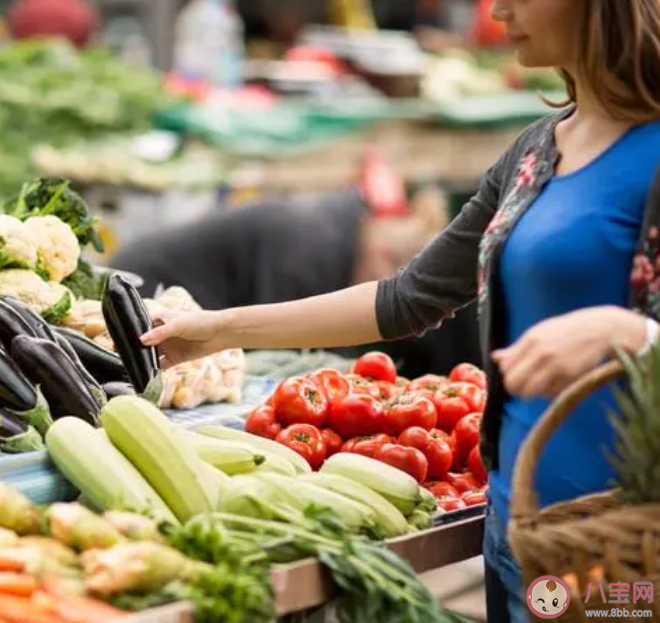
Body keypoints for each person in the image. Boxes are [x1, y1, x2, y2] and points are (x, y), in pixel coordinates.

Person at [141, 1, 660, 621]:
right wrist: (217, 330)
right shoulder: (536, 151)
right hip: (521, 531)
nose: (498, 10)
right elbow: (407, 298)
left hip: (629, 549)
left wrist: (636, 334)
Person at [110, 188, 482, 377]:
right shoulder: (309, 251)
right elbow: (276, 341)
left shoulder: (343, 229)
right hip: (142, 291)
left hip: (195, 302)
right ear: (384, 253)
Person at [6, 0, 99, 48]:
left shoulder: (25, 7)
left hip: (29, 61)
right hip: (71, 62)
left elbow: (13, 32)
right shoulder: (77, 8)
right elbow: (89, 36)